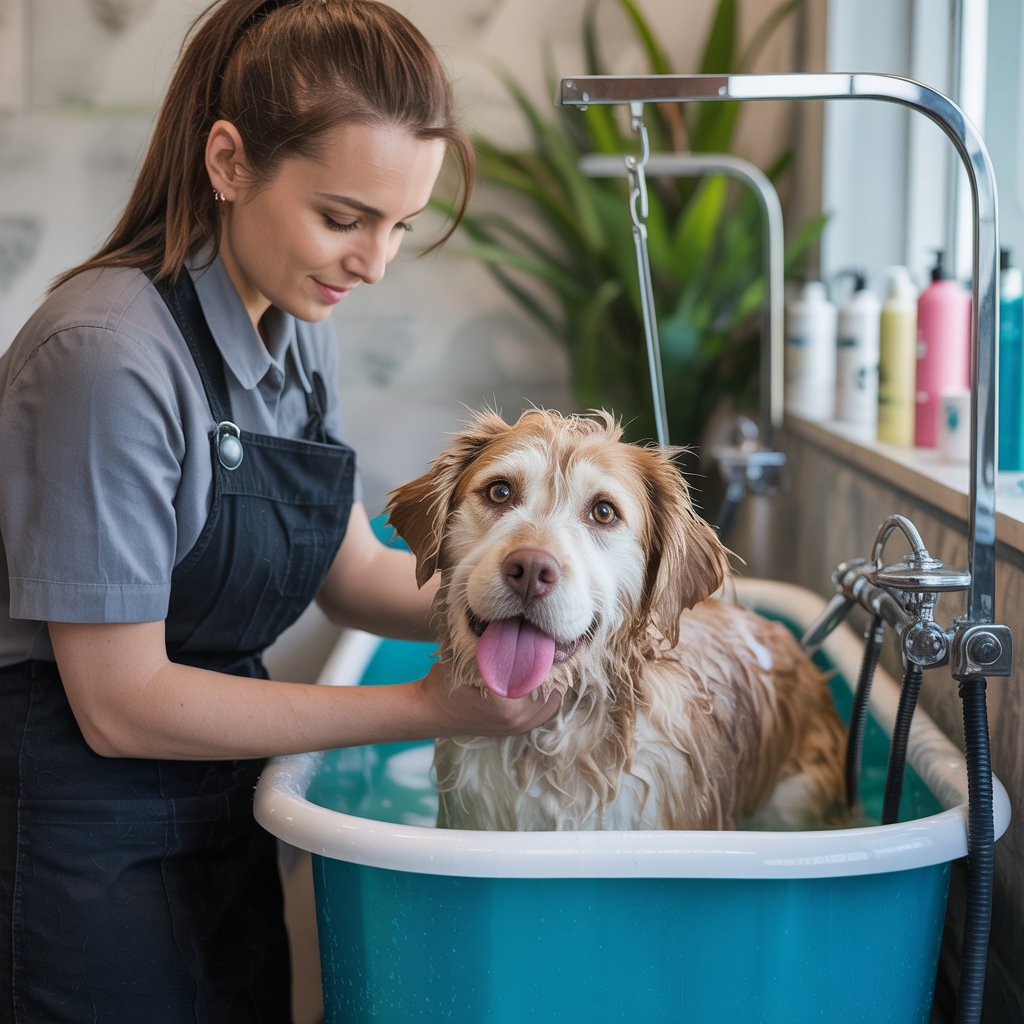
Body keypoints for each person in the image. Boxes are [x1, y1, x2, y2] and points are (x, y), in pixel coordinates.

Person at [0, 1, 560, 1020]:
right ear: (227, 160)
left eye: (400, 226)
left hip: (225, 806)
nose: (373, 263)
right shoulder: (103, 356)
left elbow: (350, 572)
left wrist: (551, 595)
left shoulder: (296, 327)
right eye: (343, 218)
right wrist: (430, 706)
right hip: (78, 840)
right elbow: (118, 705)